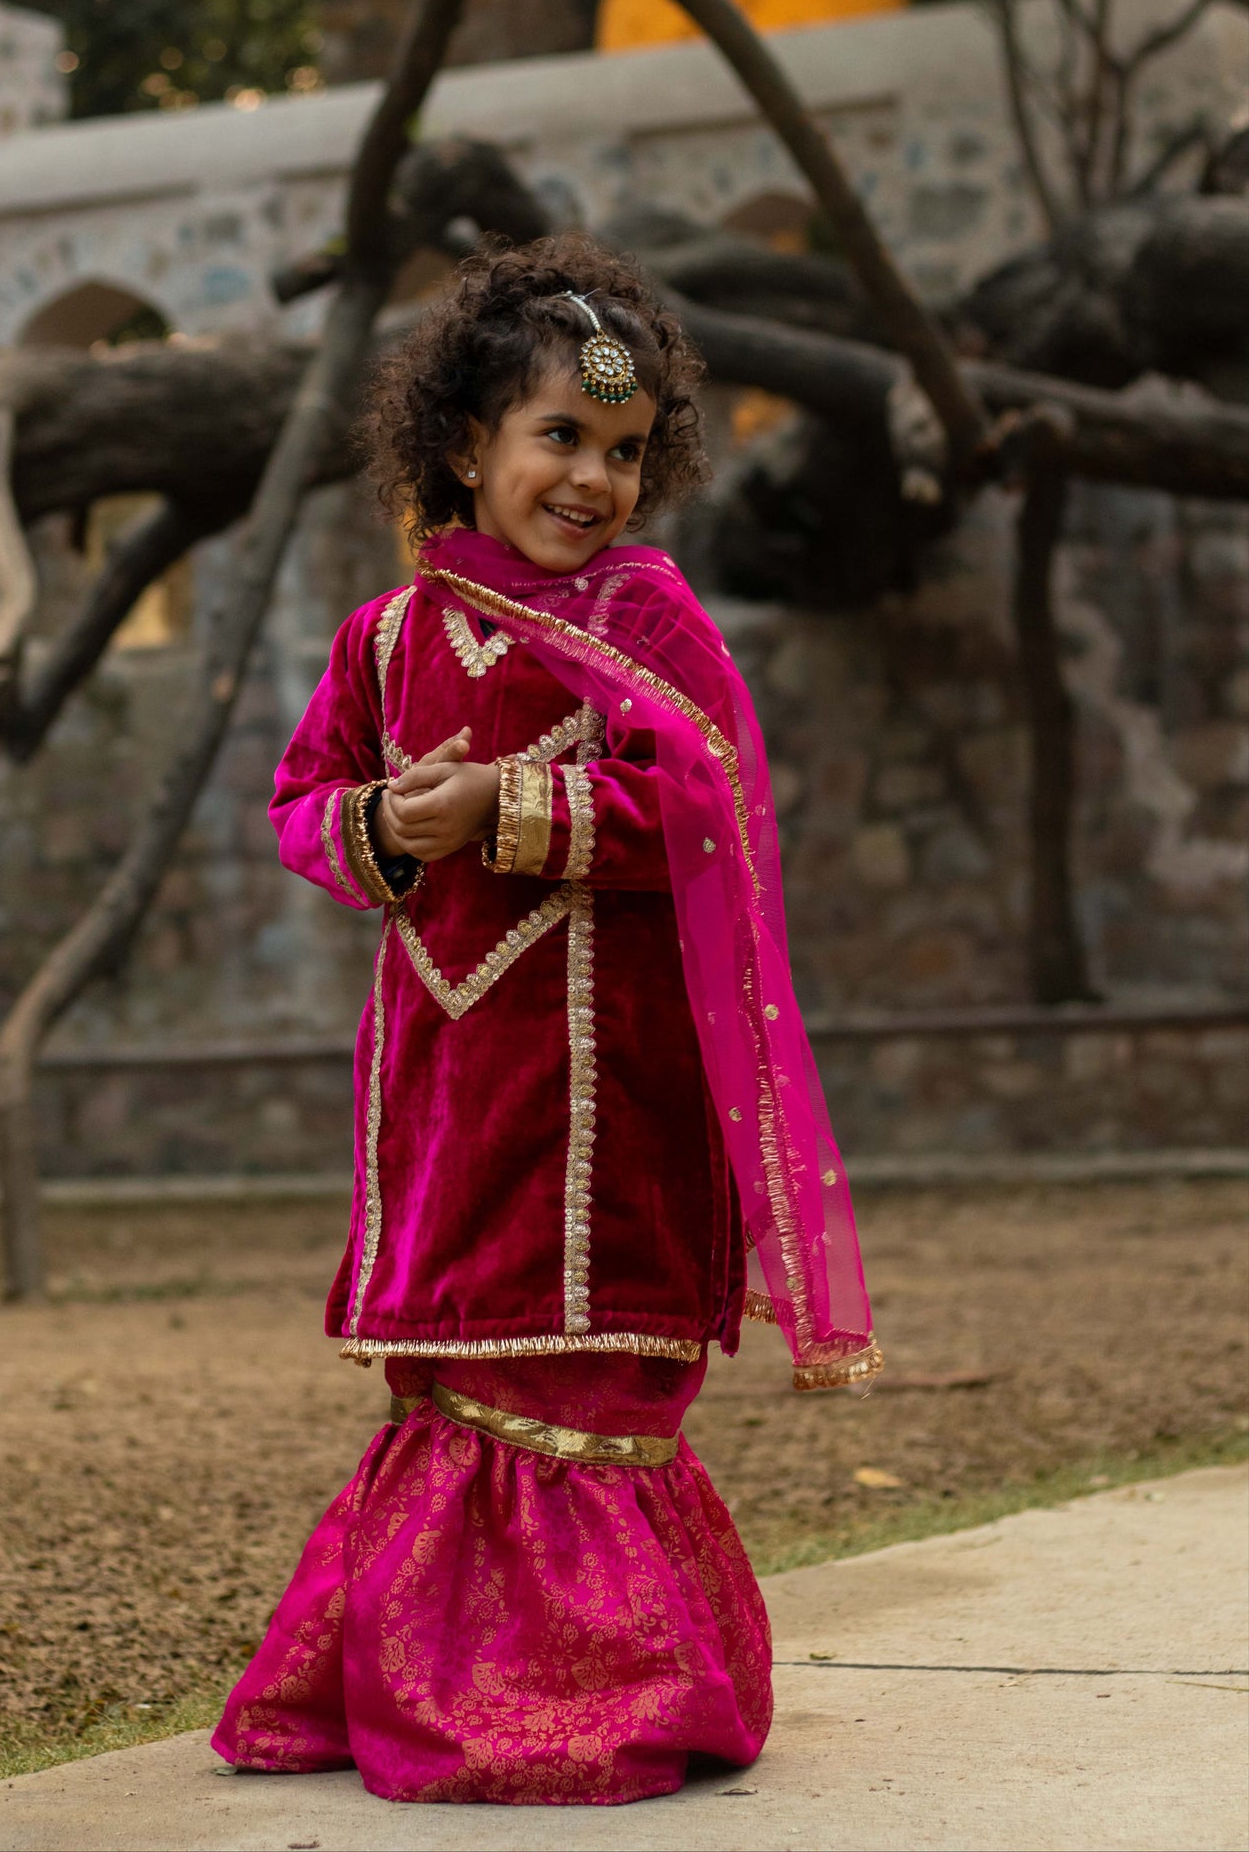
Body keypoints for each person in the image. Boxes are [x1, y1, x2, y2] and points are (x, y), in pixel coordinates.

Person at [211, 236, 880, 1806]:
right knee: (456, 1376)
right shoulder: (383, 640)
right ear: (464, 444)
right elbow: (303, 811)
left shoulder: (647, 624)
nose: (592, 480)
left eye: (625, 451)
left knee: (578, 1382)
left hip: (617, 1103)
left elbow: (717, 813)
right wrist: (389, 820)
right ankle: (412, 1674)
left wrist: (513, 808)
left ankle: (589, 1698)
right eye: (559, 438)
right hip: (444, 1081)